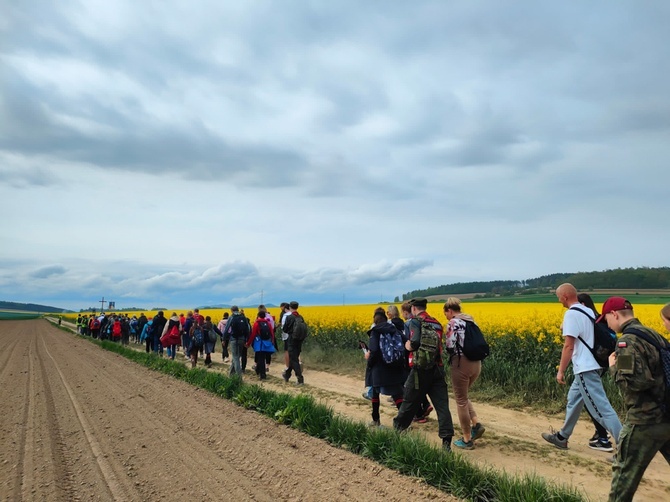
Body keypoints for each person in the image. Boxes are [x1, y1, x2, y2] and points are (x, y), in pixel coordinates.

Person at [602, 297, 670, 502]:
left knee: (623, 479)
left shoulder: (626, 342)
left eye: (606, 319)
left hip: (644, 420)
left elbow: (635, 383)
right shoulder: (653, 335)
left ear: (614, 315)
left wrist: (613, 367)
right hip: (667, 415)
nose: (607, 324)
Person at [542, 284, 622, 450]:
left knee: (602, 409)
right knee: (573, 400)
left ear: (564, 297)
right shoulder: (587, 311)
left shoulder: (571, 314)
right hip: (594, 364)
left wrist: (561, 371)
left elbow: (568, 346)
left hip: (586, 368)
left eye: (558, 298)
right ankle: (562, 437)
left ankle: (626, 446)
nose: (559, 301)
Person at [393, 298, 454, 451]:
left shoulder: (415, 321)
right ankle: (446, 445)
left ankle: (397, 431)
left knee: (408, 400)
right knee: (442, 407)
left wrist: (407, 346)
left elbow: (413, 343)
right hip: (437, 369)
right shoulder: (437, 323)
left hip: (420, 370)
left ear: (413, 308)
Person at [443, 297, 485, 450]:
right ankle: (476, 424)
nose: (446, 317)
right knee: (464, 396)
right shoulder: (471, 321)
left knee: (460, 400)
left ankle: (467, 439)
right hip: (477, 363)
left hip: (461, 363)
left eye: (446, 313)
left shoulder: (453, 323)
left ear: (449, 310)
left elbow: (449, 345)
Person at [577, 293, 615, 452]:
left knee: (595, 402)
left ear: (583, 304)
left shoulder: (586, 320)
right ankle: (564, 434)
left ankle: (604, 438)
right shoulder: (599, 318)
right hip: (602, 363)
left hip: (589, 365)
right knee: (584, 399)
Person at [365, 309, 406, 426]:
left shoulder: (375, 331)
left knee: (375, 394)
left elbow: (374, 351)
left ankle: (376, 420)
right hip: (394, 367)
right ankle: (404, 422)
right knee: (397, 395)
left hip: (379, 370)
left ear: (375, 321)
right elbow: (406, 342)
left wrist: (369, 359)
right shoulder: (394, 329)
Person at [246, 311, 276, 380]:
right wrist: (272, 342)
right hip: (267, 343)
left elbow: (253, 334)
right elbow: (272, 333)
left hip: (259, 343)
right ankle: (258, 371)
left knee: (261, 359)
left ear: (258, 315)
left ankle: (262, 375)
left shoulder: (256, 323)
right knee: (263, 358)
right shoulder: (268, 323)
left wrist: (248, 343)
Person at [281, 301, 306, 385]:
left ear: (290, 307)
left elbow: (284, 329)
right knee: (293, 358)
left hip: (291, 340)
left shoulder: (289, 317)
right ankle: (287, 375)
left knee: (294, 360)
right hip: (299, 341)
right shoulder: (300, 317)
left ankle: (300, 379)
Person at [224, 306, 250, 377]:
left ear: (231, 310)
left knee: (235, 358)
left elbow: (226, 329)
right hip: (242, 339)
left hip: (234, 339)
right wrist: (247, 340)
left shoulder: (231, 317)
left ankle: (239, 377)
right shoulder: (243, 317)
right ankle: (230, 375)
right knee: (237, 357)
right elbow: (247, 329)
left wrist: (224, 339)